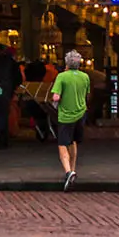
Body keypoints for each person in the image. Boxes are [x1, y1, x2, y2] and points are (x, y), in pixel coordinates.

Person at [50, 49, 92, 189]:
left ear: (66, 63)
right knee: (73, 141)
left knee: (62, 144)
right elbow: (87, 94)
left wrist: (55, 99)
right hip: (81, 113)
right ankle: (73, 168)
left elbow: (56, 96)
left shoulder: (62, 76)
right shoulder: (85, 77)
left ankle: (68, 171)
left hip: (65, 116)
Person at [0, 42, 21, 149]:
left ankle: (3, 140)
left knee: (0, 113)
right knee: (2, 115)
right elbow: (18, 79)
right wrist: (14, 89)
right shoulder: (12, 64)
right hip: (4, 91)